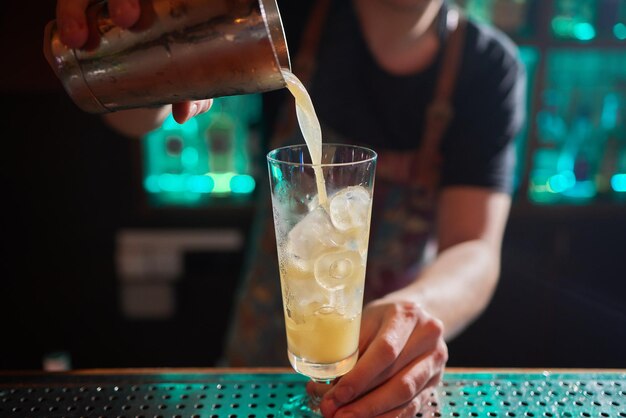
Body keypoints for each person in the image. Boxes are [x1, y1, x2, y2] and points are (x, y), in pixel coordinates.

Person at [54, 0, 526, 416]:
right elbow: (137, 115)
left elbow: (475, 249)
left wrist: (415, 310)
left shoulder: (487, 69)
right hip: (255, 374)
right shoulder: (281, 16)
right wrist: (129, 31)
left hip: (387, 379)